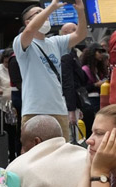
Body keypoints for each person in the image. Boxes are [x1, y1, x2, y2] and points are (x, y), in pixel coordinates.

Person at [13, 0, 88, 143]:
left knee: (60, 155)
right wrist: (52, 7)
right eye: (38, 13)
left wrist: (80, 11)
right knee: (34, 155)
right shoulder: (21, 42)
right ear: (28, 21)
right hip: (34, 110)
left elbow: (81, 34)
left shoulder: (55, 42)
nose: (45, 15)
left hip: (59, 109)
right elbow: (29, 31)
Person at [0, 48, 20, 160]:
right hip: (3, 106)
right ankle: (9, 155)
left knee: (16, 132)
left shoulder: (18, 67)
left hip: (16, 105)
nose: (9, 65)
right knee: (8, 132)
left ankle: (16, 153)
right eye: (7, 62)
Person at [80, 43, 109, 134]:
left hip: (100, 99)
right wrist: (96, 85)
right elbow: (82, 88)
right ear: (92, 53)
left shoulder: (100, 69)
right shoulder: (85, 70)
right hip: (90, 101)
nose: (101, 54)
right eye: (99, 52)